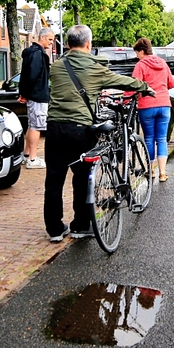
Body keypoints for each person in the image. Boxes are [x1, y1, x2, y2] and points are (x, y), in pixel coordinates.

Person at [45, 25, 149, 243]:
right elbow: (121, 81)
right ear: (88, 44)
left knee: (54, 179)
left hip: (54, 128)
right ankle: (81, 225)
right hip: (80, 129)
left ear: (67, 44)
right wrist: (144, 86)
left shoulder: (56, 66)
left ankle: (54, 229)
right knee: (82, 178)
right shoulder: (95, 68)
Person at [130, 38, 174, 181]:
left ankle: (151, 171)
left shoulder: (140, 65)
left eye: (137, 52)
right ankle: (163, 173)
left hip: (147, 105)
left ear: (142, 51)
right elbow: (172, 83)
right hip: (164, 104)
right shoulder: (163, 63)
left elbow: (134, 85)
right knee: (161, 139)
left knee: (149, 138)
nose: (137, 55)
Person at [18, 28, 55, 169]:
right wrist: (26, 93)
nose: (51, 43)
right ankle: (33, 159)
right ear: (43, 37)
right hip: (38, 95)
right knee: (36, 126)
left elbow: (25, 75)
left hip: (33, 95)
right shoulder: (38, 54)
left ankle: (26, 155)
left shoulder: (30, 53)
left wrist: (23, 93)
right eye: (50, 39)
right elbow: (32, 76)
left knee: (32, 125)